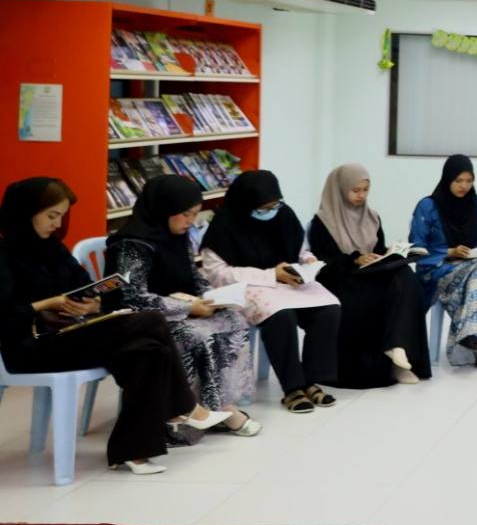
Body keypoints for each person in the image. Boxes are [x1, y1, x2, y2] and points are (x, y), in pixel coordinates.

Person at [1, 177, 230, 474]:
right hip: (28, 345)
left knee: (148, 350)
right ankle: (183, 407)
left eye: (61, 216)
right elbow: (6, 313)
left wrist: (91, 304)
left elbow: (84, 285)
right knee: (151, 320)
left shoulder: (52, 248)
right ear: (25, 213)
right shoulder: (5, 254)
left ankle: (132, 451)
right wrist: (47, 304)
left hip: (71, 334)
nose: (57, 224)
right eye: (51, 216)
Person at [107, 175, 259, 432]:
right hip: (141, 319)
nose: (191, 221)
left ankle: (221, 405)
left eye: (195, 214)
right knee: (196, 335)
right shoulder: (131, 244)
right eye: (186, 214)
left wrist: (213, 297)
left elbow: (193, 277)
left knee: (234, 320)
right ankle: (185, 416)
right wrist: (188, 308)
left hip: (182, 308)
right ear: (164, 209)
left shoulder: (178, 235)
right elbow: (133, 297)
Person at [200, 170, 342, 414]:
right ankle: (293, 388)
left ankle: (310, 379)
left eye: (275, 205)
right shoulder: (224, 225)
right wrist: (270, 275)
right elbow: (217, 273)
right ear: (246, 204)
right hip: (248, 287)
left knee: (329, 308)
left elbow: (300, 249)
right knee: (281, 316)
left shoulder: (284, 215)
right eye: (264, 208)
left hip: (289, 282)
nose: (272, 211)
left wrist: (308, 262)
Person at [307, 163, 431, 389]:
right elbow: (323, 261)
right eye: (355, 190)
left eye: (365, 190)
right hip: (341, 279)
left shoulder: (372, 217)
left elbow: (378, 249)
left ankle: (397, 350)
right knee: (375, 294)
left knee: (405, 275)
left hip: (370, 273)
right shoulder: (323, 221)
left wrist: (390, 254)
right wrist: (354, 259)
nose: (361, 195)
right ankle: (395, 356)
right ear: (340, 189)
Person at [409, 154, 477, 369]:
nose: (464, 186)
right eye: (458, 180)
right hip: (440, 269)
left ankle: (471, 335)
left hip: (475, 265)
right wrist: (448, 251)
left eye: (469, 181)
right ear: (447, 179)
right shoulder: (428, 206)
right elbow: (417, 248)